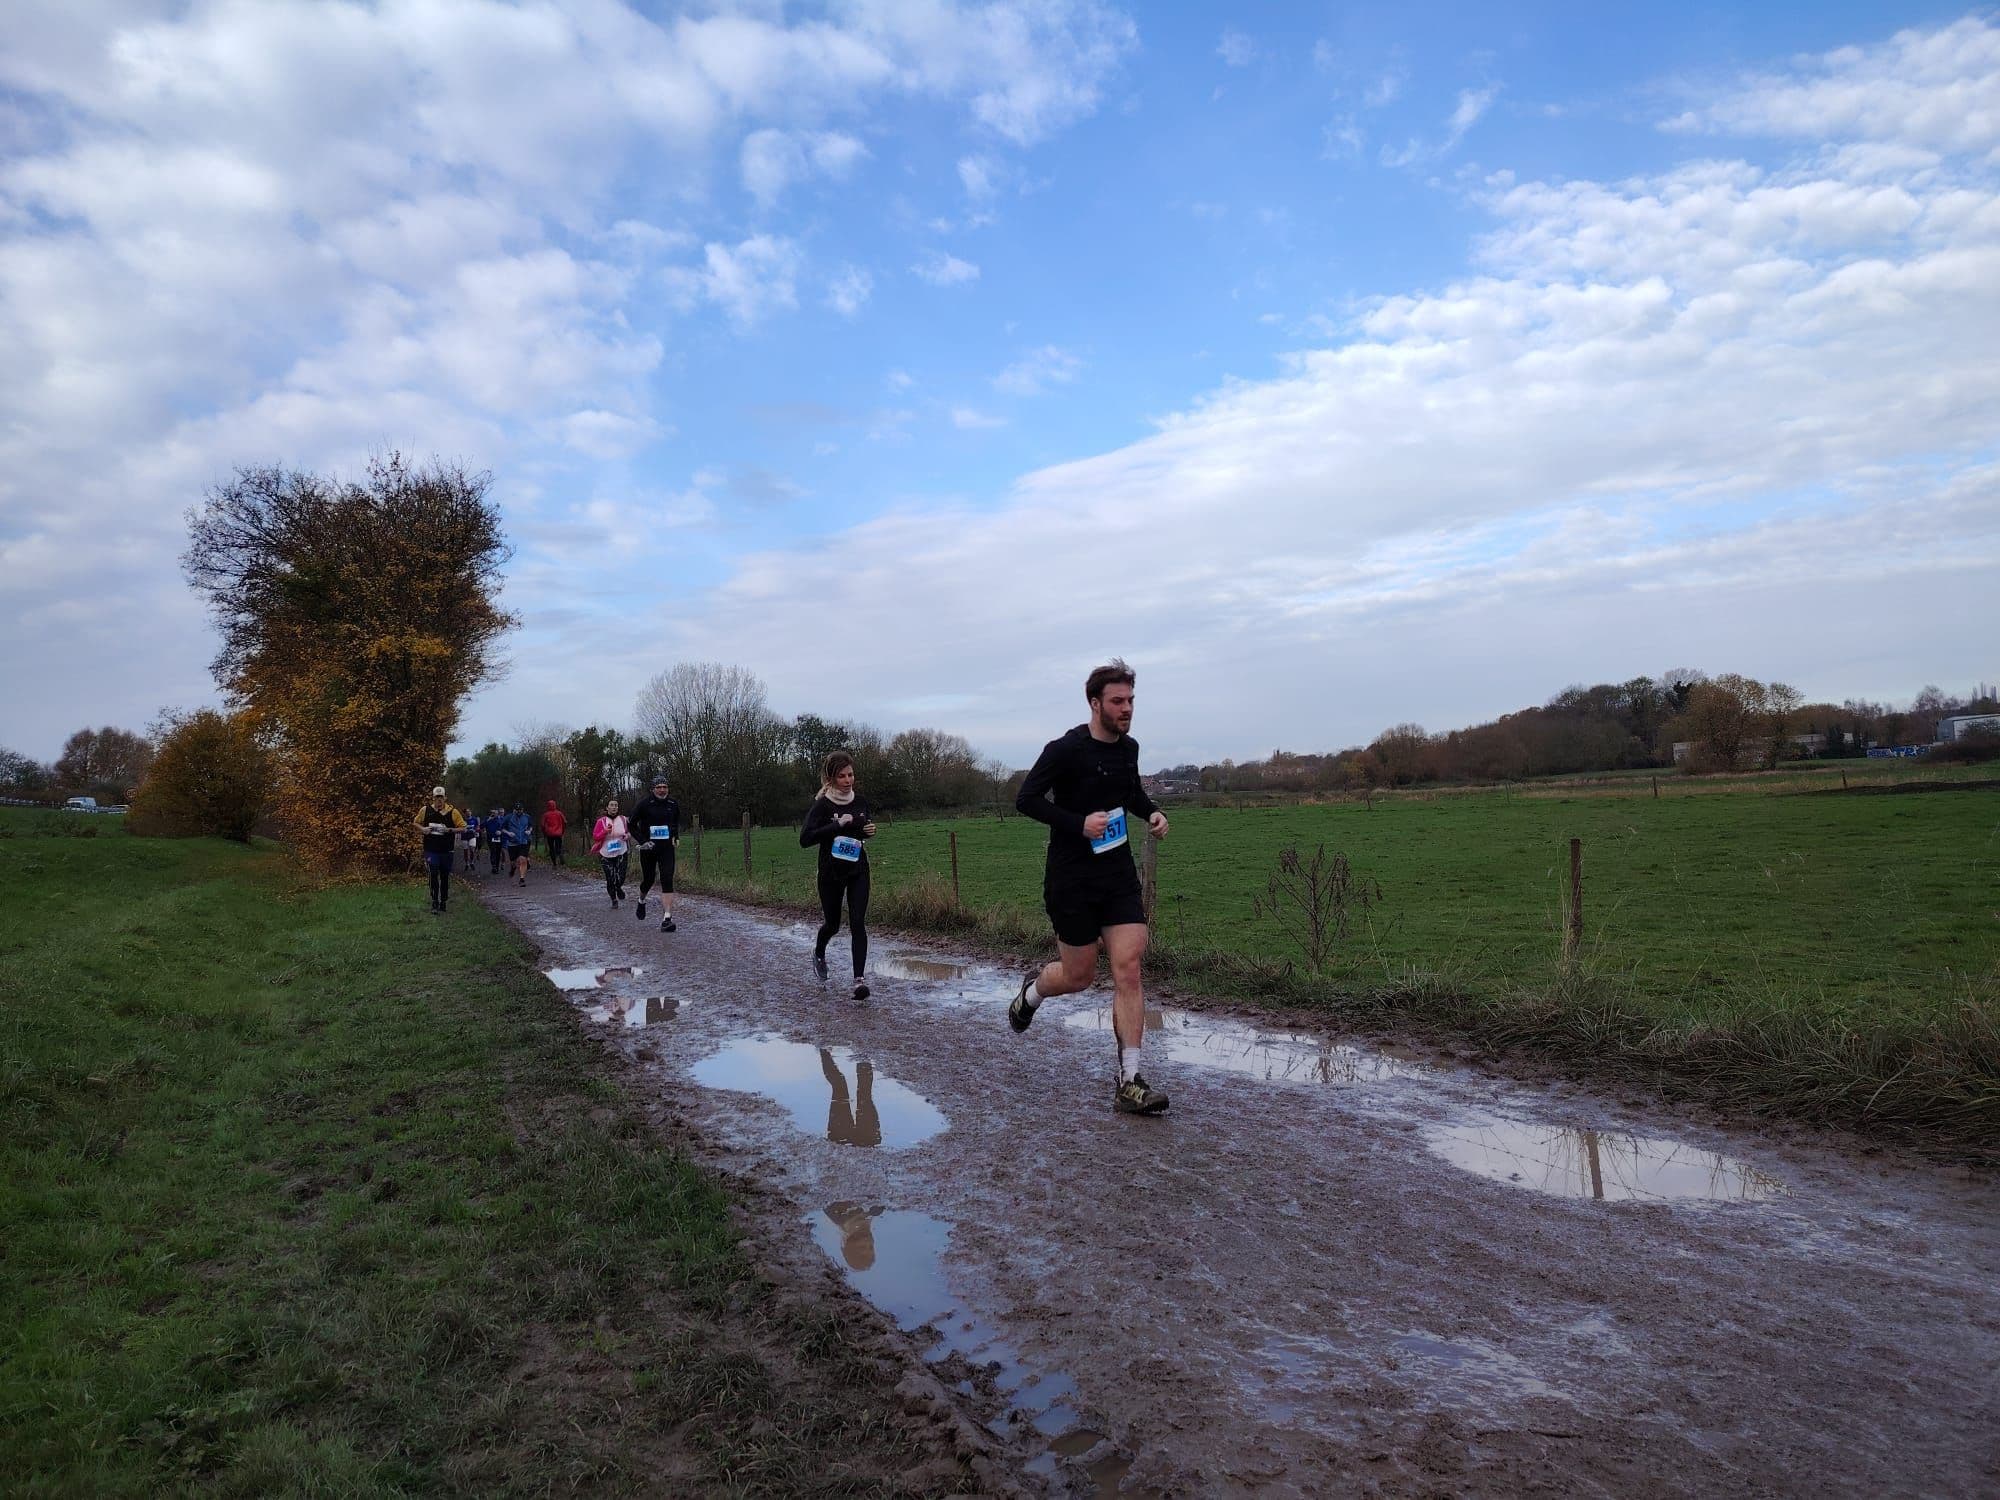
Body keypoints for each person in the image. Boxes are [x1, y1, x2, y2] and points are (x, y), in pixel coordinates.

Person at [1008, 659, 1171, 1115]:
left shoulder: (1128, 749)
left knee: (1129, 965)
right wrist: (1078, 824)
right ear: (1095, 703)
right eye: (1118, 701)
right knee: (1078, 975)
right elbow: (1027, 800)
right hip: (1071, 878)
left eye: (1131, 701)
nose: (1127, 709)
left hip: (1116, 874)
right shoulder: (1064, 749)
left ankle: (1130, 1080)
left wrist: (1152, 811)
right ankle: (1032, 992)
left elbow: (1130, 793)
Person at [800, 751, 876, 1000]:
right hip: (831, 873)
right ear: (831, 779)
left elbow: (861, 829)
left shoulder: (861, 801)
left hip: (858, 870)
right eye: (842, 776)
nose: (848, 780)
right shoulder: (823, 805)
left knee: (857, 922)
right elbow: (806, 839)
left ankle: (858, 981)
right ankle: (819, 952)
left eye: (851, 774)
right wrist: (837, 825)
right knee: (832, 924)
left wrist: (868, 831)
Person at [629, 775, 681, 931]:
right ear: (653, 789)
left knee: (667, 878)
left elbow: (675, 822)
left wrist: (675, 836)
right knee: (649, 879)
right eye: (659, 787)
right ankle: (641, 901)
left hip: (666, 848)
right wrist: (643, 841)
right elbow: (631, 825)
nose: (662, 790)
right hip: (649, 848)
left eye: (665, 787)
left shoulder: (673, 804)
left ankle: (667, 918)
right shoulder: (644, 804)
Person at [413, 785, 467, 914]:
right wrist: (423, 829)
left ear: (445, 798)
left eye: (441, 797)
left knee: (444, 876)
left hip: (447, 850)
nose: (439, 800)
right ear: (433, 798)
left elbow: (463, 827)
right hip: (431, 849)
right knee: (433, 873)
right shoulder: (425, 810)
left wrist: (449, 830)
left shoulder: (452, 812)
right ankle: (434, 902)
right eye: (436, 798)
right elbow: (415, 822)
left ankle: (443, 901)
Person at [591, 798, 630, 907]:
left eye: (616, 805)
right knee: (610, 877)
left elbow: (628, 833)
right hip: (606, 854)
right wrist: (604, 832)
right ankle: (614, 899)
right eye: (611, 805)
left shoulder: (623, 819)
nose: (614, 807)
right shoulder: (601, 821)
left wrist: (627, 836)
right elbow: (595, 836)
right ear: (607, 808)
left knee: (621, 876)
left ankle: (618, 887)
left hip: (621, 851)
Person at [505, 802, 533, 886]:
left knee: (522, 859)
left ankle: (522, 879)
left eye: (520, 810)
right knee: (513, 862)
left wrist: (529, 831)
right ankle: (513, 868)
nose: (519, 812)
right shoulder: (508, 817)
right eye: (517, 810)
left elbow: (530, 826)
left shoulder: (527, 817)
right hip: (512, 843)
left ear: (523, 810)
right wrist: (508, 833)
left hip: (524, 841)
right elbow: (502, 828)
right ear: (514, 810)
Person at [540, 798, 567, 867]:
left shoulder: (546, 815)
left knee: (551, 848)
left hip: (549, 834)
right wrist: (563, 830)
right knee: (559, 847)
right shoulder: (559, 813)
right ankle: (561, 858)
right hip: (558, 833)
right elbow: (565, 822)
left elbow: (542, 825)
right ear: (555, 805)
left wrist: (544, 832)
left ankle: (554, 864)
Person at [486, 806, 507, 876]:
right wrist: (488, 820)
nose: (494, 814)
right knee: (493, 851)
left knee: (498, 852)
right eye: (492, 813)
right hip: (490, 839)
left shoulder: (500, 820)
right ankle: (494, 866)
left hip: (499, 838)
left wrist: (500, 831)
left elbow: (504, 827)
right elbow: (481, 826)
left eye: (495, 813)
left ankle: (497, 867)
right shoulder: (488, 819)